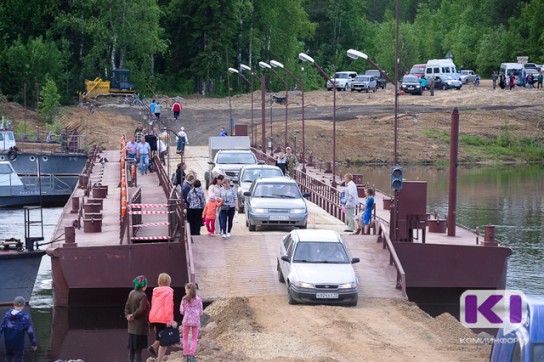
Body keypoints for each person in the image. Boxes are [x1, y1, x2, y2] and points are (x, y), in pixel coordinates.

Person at [0, 296, 38, 362]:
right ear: (23, 305)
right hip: (18, 345)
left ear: (14, 304)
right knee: (19, 358)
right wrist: (33, 344)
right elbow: (30, 332)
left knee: (8, 357)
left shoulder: (7, 315)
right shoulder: (24, 317)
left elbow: (1, 328)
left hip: (8, 343)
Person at [148, 273, 175, 362]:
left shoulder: (155, 292)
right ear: (168, 282)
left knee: (160, 337)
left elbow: (154, 305)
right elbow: (168, 306)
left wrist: (154, 322)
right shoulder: (169, 291)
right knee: (165, 341)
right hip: (163, 318)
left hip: (154, 317)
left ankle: (154, 347)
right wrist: (169, 320)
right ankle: (159, 360)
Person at [124, 275, 150, 362]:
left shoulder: (131, 293)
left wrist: (128, 315)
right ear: (143, 285)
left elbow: (127, 306)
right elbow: (141, 310)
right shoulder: (143, 295)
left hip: (131, 327)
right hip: (139, 328)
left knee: (131, 349)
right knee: (138, 351)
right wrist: (133, 315)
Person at [180, 283, 203, 362]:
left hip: (186, 321)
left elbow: (182, 311)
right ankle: (192, 354)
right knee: (194, 338)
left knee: (185, 338)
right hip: (195, 321)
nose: (185, 291)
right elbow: (201, 312)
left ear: (189, 290)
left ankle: (185, 354)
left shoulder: (184, 299)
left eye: (186, 289)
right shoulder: (198, 299)